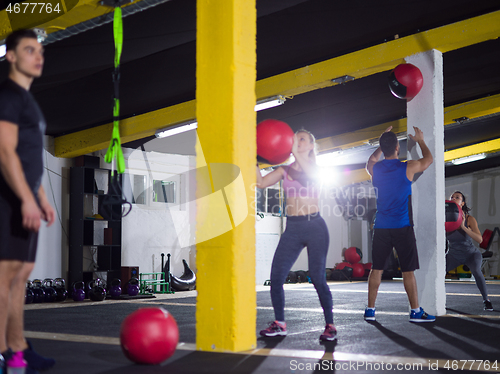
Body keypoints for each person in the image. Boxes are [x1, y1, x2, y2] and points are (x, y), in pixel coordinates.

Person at [0, 29, 56, 372]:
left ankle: (17, 349)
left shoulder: (28, 100)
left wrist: (41, 197)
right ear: (11, 56)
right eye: (29, 50)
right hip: (6, 198)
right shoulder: (8, 96)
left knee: (20, 274)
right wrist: (25, 199)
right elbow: (5, 151)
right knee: (5, 276)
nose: (38, 57)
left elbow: (28, 156)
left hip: (23, 197)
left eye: (40, 51)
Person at [257, 129, 336, 341]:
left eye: (301, 139)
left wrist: (293, 150)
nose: (296, 141)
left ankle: (330, 325)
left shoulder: (315, 169)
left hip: (315, 227)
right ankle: (280, 323)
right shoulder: (284, 170)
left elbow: (309, 171)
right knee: (275, 278)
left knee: (318, 278)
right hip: (292, 228)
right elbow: (261, 183)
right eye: (295, 138)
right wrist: (253, 159)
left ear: (311, 146)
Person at [364, 126, 435, 323]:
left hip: (381, 227)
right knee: (407, 270)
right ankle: (415, 311)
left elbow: (370, 161)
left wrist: (381, 144)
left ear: (383, 148)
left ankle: (370, 310)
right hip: (402, 227)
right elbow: (428, 160)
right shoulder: (407, 167)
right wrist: (420, 140)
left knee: (376, 268)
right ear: (397, 147)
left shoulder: (375, 169)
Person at [447, 191, 493, 311]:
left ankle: (486, 300)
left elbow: (479, 239)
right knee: (438, 272)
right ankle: (436, 300)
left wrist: (463, 227)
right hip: (453, 255)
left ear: (462, 203)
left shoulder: (469, 219)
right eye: (451, 197)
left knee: (477, 271)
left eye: (457, 197)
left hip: (471, 254)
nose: (453, 198)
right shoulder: (446, 220)